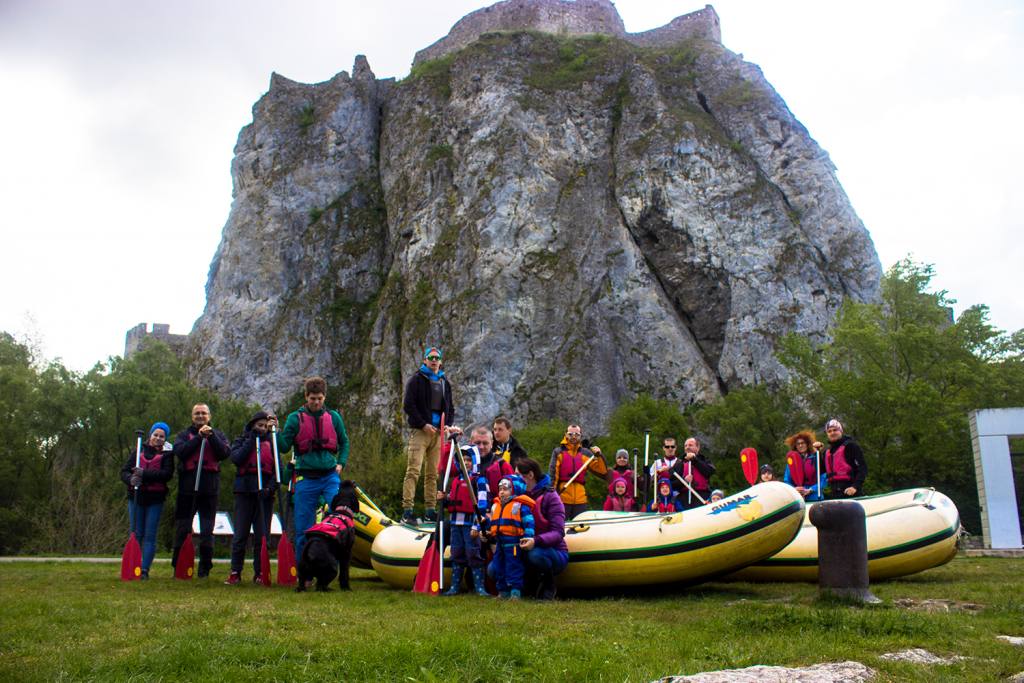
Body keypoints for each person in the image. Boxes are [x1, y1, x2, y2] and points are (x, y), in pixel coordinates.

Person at [275, 376, 350, 560]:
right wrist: (276, 432)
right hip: (305, 479)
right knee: (303, 528)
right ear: (306, 397)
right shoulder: (295, 418)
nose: (316, 402)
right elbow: (284, 446)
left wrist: (341, 462)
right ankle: (304, 573)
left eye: (319, 398)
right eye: (312, 398)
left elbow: (344, 442)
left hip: (330, 476)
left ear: (324, 397)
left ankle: (332, 563)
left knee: (337, 516)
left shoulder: (333, 417)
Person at [171, 403, 230, 578]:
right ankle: (178, 565)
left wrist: (210, 437)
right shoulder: (183, 435)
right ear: (192, 416)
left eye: (203, 413)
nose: (200, 416)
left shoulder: (218, 434)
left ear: (209, 416)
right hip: (187, 487)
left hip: (209, 487)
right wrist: (198, 437)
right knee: (183, 527)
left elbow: (224, 453)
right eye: (197, 413)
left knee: (207, 529)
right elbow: (180, 452)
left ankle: (205, 568)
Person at [225, 410, 279, 585]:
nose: (262, 429)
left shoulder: (273, 444)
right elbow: (237, 458)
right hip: (244, 492)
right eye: (259, 425)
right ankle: (235, 571)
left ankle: (260, 572)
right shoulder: (241, 441)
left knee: (262, 536)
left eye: (265, 426)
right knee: (240, 534)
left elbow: (278, 472)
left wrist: (270, 489)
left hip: (264, 495)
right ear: (252, 425)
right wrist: (252, 440)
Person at [401, 346, 454, 524]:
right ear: (424, 360)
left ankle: (430, 511)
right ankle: (407, 510)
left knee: (433, 473)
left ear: (440, 361)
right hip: (420, 431)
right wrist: (423, 424)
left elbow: (450, 407)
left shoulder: (444, 381)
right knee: (413, 470)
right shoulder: (416, 379)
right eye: (430, 357)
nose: (433, 360)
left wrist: (446, 426)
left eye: (436, 358)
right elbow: (408, 405)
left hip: (438, 433)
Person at [120, 422, 174, 579]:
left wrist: (145, 474)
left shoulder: (168, 455)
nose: (158, 438)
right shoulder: (138, 451)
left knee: (150, 535)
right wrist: (130, 479)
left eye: (161, 436)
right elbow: (123, 471)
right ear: (151, 435)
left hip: (155, 499)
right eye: (155, 435)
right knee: (136, 533)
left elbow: (166, 475)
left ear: (165, 439)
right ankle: (133, 566)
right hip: (136, 498)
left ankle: (144, 570)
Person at [437, 439, 488, 596]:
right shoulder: (456, 480)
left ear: (474, 462)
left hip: (470, 524)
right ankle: (455, 587)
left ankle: (479, 587)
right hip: (455, 523)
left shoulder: (479, 481)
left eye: (468, 460)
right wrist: (444, 499)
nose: (465, 463)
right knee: (457, 553)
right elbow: (452, 501)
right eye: (462, 460)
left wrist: (476, 526)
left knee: (473, 554)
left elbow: (482, 505)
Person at [515, 457, 568, 600]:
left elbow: (558, 532)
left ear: (530, 475)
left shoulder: (551, 497)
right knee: (493, 570)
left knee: (535, 554)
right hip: (524, 547)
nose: (514, 480)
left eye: (518, 475)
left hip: (553, 552)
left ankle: (548, 586)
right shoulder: (517, 497)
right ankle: (525, 586)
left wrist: (535, 541)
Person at [484, 474, 535, 599]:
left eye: (505, 489)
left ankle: (515, 592)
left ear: (514, 490)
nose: (501, 492)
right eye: (500, 489)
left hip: (514, 544)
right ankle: (503, 591)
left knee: (514, 567)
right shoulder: (496, 506)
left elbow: (529, 522)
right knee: (498, 567)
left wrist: (528, 536)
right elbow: (492, 524)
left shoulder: (520, 505)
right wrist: (487, 531)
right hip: (499, 544)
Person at [548, 424, 607, 519]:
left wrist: (600, 456)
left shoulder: (586, 453)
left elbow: (602, 471)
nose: (574, 436)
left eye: (577, 434)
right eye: (570, 434)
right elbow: (553, 475)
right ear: (566, 435)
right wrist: (552, 496)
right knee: (560, 526)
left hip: (580, 500)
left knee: (579, 528)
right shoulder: (558, 452)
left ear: (580, 436)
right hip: (562, 498)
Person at [814, 419, 867, 499]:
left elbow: (862, 468)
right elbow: (820, 471)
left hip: (851, 491)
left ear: (841, 431)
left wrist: (855, 487)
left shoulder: (851, 446)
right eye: (829, 431)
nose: (832, 433)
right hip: (835, 492)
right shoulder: (827, 452)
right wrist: (817, 453)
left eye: (835, 430)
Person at [470, 426, 509, 515]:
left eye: (485, 443)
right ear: (471, 442)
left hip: (493, 514)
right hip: (467, 516)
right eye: (477, 443)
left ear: (491, 443)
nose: (481, 446)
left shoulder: (502, 465)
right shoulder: (465, 463)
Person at [783, 430, 827, 501]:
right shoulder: (792, 462)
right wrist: (794, 489)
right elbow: (787, 481)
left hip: (815, 497)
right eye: (798, 444)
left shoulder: (816, 457)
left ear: (807, 444)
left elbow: (823, 478)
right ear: (795, 446)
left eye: (803, 443)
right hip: (798, 498)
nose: (800, 445)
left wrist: (811, 489)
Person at [679, 437, 715, 509]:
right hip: (684, 497)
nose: (687, 447)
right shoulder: (680, 463)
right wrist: (684, 480)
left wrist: (694, 459)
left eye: (690, 445)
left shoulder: (704, 460)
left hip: (702, 496)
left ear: (697, 447)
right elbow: (674, 482)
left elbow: (709, 472)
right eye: (685, 446)